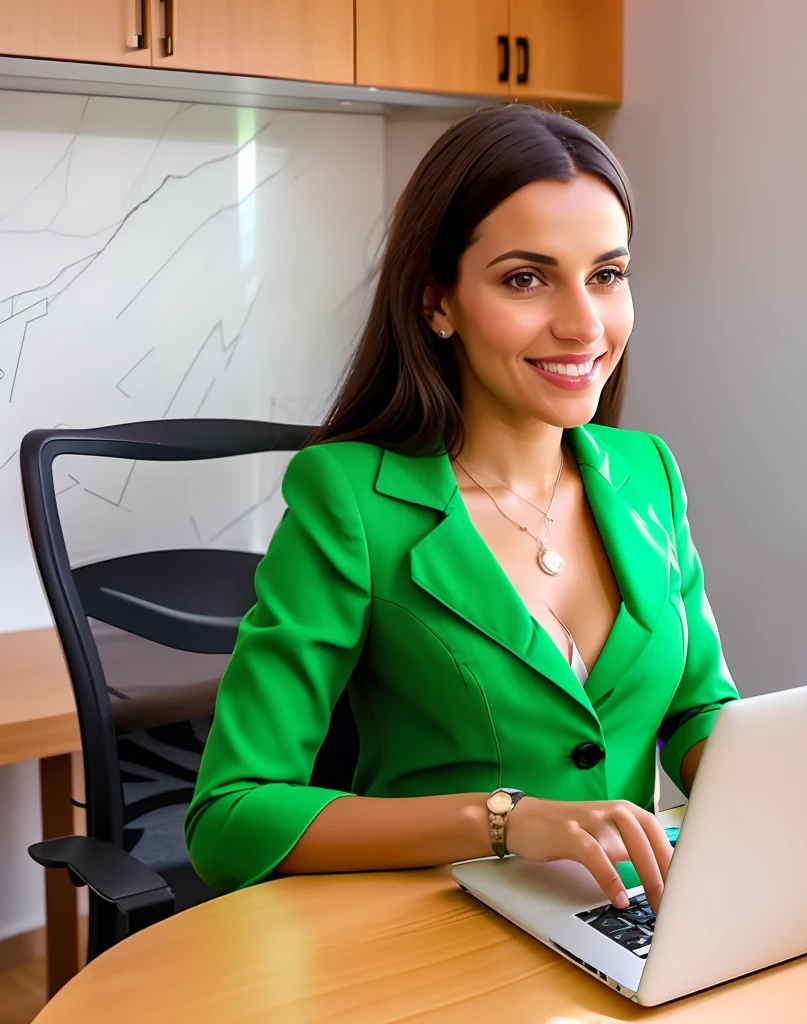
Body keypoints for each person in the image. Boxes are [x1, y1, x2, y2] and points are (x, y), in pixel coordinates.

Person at [185, 103, 739, 915]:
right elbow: (228, 816)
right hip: (436, 935)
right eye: (526, 278)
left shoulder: (646, 473)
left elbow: (696, 708)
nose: (584, 324)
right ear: (437, 302)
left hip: (622, 926)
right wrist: (505, 822)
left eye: (607, 275)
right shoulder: (350, 501)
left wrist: (790, 785)